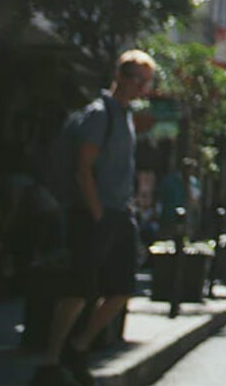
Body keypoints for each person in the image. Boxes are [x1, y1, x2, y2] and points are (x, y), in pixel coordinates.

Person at [31, 50, 155, 386]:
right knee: (78, 289)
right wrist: (97, 212)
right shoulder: (101, 115)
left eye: (147, 81)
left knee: (122, 288)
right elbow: (83, 168)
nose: (143, 87)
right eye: (139, 79)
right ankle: (51, 358)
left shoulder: (125, 115)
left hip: (119, 214)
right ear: (122, 76)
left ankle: (79, 345)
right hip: (94, 214)